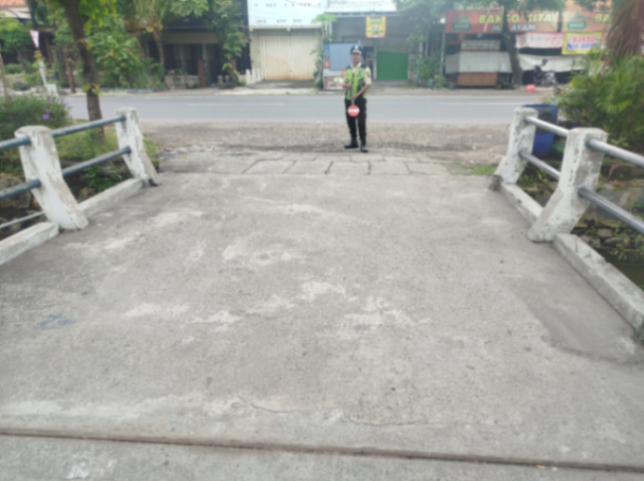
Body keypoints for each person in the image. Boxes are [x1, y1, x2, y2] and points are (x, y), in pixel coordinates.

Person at [343, 45, 371, 153]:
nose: (355, 56)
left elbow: (368, 85)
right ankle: (353, 141)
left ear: (361, 56)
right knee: (350, 121)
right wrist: (346, 86)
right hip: (349, 99)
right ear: (351, 56)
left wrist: (357, 95)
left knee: (361, 122)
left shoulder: (365, 69)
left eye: (357, 54)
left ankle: (363, 143)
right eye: (353, 54)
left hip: (360, 100)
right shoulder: (347, 69)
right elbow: (343, 84)